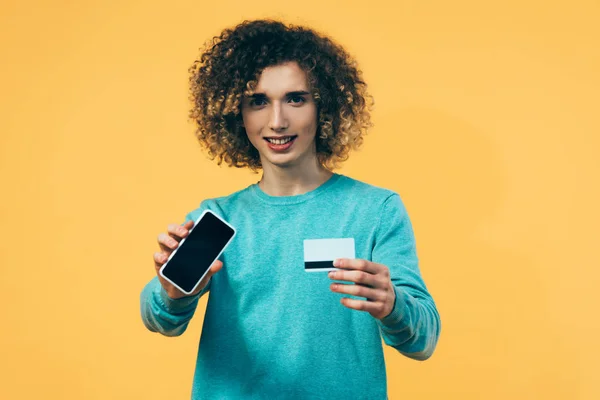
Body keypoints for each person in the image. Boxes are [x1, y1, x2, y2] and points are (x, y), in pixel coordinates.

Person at [140, 19, 441, 399]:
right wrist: (172, 292)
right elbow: (160, 321)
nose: (277, 121)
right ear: (238, 115)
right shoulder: (218, 218)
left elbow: (424, 340)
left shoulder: (374, 210)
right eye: (258, 101)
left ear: (324, 107)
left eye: (295, 98)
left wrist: (394, 305)